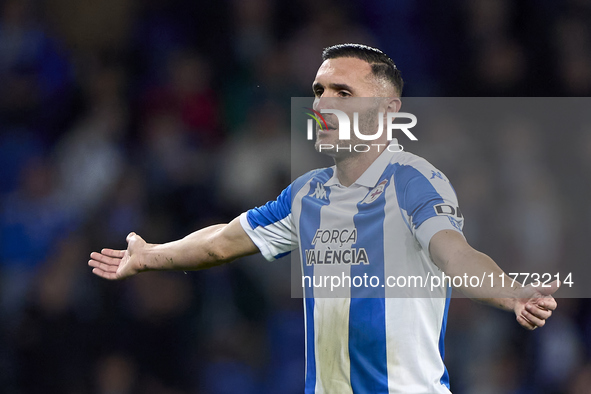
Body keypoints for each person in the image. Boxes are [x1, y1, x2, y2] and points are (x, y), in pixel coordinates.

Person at [89, 43, 559, 393]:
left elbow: (455, 255)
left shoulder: (414, 180)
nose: (323, 103)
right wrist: (151, 255)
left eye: (342, 91)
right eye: (318, 91)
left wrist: (510, 292)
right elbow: (221, 242)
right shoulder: (308, 193)